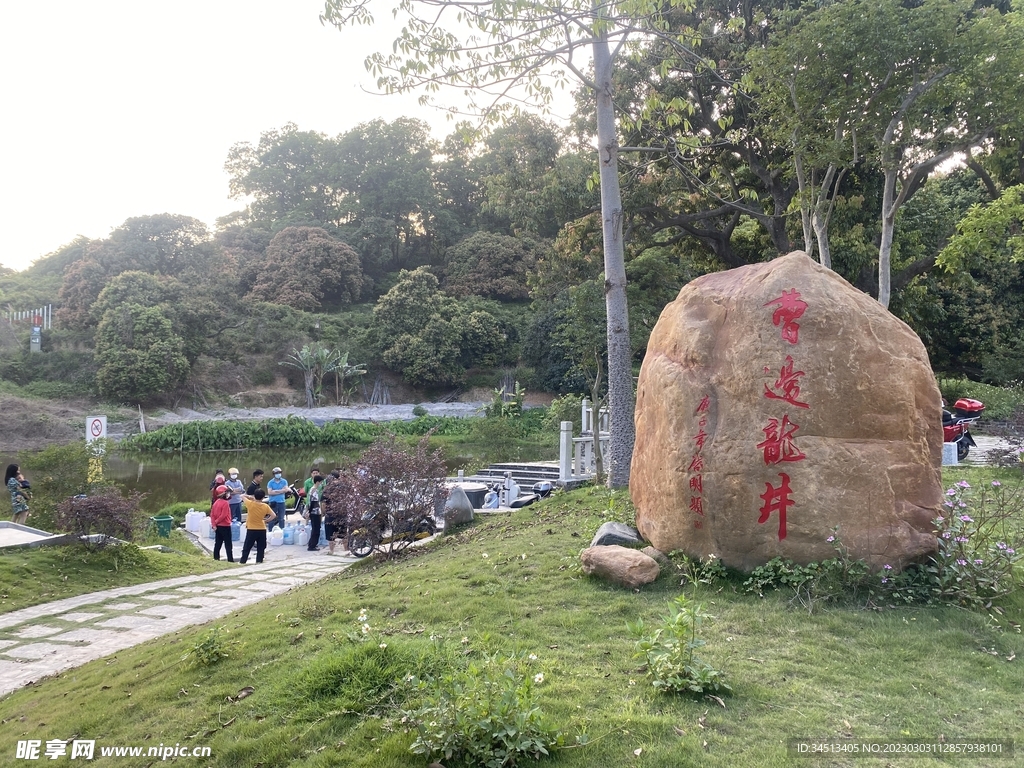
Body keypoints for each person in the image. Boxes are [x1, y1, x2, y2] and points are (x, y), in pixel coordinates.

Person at [239, 489, 276, 564]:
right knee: (261, 548)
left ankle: (243, 561)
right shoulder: (265, 506)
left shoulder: (250, 504)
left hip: (251, 529)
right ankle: (259, 561)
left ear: (255, 496)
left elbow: (241, 496)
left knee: (247, 547)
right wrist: (265, 521)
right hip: (262, 528)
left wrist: (250, 497)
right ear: (263, 498)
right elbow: (273, 515)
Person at [210, 484, 234, 562]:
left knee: (218, 543)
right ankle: (230, 560)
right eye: (227, 492)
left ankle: (216, 558)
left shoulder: (215, 502)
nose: (228, 494)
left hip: (218, 527)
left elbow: (212, 515)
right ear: (223, 493)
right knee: (228, 544)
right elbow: (223, 515)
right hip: (225, 526)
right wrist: (216, 522)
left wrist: (214, 524)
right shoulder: (225, 503)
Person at [303, 468, 325, 551]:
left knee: (316, 528)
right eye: (321, 482)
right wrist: (309, 511)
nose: (321, 484)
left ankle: (312, 544)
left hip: (316, 511)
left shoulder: (313, 489)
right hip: (314, 512)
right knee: (316, 529)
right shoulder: (314, 490)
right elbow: (313, 503)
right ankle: (312, 545)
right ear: (318, 482)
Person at [266, 467, 288, 531]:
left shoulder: (284, 481)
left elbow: (286, 490)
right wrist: (281, 490)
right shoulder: (270, 482)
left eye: (279, 473)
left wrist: (275, 491)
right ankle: (270, 531)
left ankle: (282, 531)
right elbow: (270, 492)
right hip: (273, 502)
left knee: (281, 518)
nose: (278, 474)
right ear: (274, 474)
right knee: (272, 518)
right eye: (277, 473)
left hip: (281, 502)